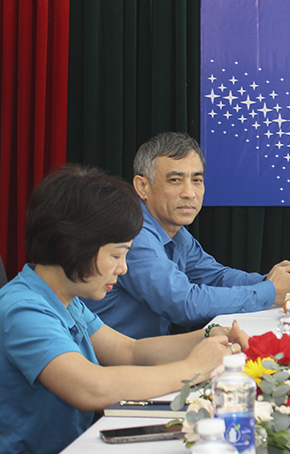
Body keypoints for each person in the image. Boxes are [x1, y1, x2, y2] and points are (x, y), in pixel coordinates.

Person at [0, 165, 247, 454]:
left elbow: (129, 351)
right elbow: (91, 387)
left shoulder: (65, 298)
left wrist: (209, 336)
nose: (123, 268)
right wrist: (193, 369)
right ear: (74, 246)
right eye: (116, 255)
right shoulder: (23, 309)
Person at [84, 132, 290, 339]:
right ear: (142, 186)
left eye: (197, 180)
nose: (189, 193)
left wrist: (272, 281)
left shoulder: (174, 230)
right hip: (108, 363)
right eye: (175, 180)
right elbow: (183, 303)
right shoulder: (131, 232)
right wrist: (270, 291)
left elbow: (216, 277)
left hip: (144, 357)